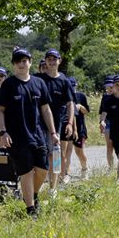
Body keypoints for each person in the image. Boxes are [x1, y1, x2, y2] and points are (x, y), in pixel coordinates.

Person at [0, 48, 59, 218]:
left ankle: (32, 194)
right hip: (17, 137)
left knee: (43, 170)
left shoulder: (39, 83)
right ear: (14, 64)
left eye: (24, 60)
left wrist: (53, 132)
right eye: (18, 61)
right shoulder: (9, 85)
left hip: (38, 135)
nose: (21, 64)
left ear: (30, 62)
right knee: (26, 172)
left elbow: (46, 109)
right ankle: (31, 209)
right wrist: (3, 132)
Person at [35, 49, 76, 194]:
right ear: (45, 61)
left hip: (56, 125)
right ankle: (36, 189)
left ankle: (53, 189)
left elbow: (71, 103)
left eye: (55, 59)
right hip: (38, 125)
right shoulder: (38, 79)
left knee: (55, 156)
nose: (52, 62)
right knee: (40, 155)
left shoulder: (64, 81)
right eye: (49, 59)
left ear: (59, 61)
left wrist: (70, 123)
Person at [65, 77, 90, 179]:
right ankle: (66, 173)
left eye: (73, 86)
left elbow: (87, 112)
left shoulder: (81, 96)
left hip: (80, 128)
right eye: (70, 87)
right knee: (67, 152)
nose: (72, 88)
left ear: (76, 85)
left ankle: (85, 169)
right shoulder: (65, 96)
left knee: (79, 151)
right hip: (68, 127)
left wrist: (80, 107)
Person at [99, 76, 115, 172]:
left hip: (118, 123)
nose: (108, 89)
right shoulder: (105, 96)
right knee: (109, 146)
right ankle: (111, 168)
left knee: (117, 146)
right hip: (107, 122)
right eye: (107, 87)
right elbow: (102, 111)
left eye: (110, 87)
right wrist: (101, 123)